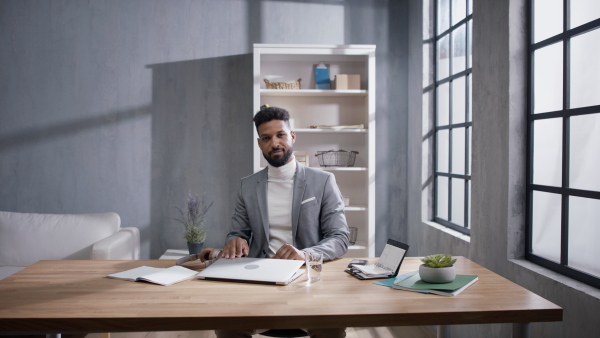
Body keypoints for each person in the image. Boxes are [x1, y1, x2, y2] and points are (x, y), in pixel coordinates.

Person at [215, 105, 349, 338]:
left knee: (332, 328)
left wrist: (305, 254)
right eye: (266, 138)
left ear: (292, 136)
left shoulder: (324, 181)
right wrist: (235, 240)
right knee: (226, 326)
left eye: (281, 135)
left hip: (307, 278)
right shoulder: (247, 186)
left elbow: (339, 238)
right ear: (259, 143)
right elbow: (237, 232)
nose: (274, 143)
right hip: (258, 279)